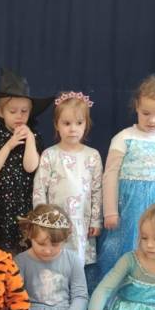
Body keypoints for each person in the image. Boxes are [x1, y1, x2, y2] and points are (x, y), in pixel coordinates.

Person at [93, 72, 155, 290]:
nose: (152, 120)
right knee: (121, 246)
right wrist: (110, 211)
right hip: (128, 205)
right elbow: (110, 174)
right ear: (137, 106)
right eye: (146, 113)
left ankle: (148, 290)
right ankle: (114, 291)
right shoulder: (124, 137)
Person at [0, 67, 51, 252]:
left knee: (24, 244)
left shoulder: (34, 137)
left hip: (24, 202)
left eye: (24, 111)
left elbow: (31, 167)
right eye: (13, 111)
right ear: (0, 112)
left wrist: (29, 139)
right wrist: (8, 145)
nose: (19, 116)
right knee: (0, 246)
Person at [32, 90, 102, 272]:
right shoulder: (50, 154)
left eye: (79, 123)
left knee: (77, 265)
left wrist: (95, 221)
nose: (73, 129)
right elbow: (39, 189)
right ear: (57, 124)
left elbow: (97, 190)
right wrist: (42, 221)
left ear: (86, 124)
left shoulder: (92, 155)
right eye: (67, 123)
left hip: (81, 221)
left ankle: (77, 288)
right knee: (54, 262)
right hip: (55, 222)